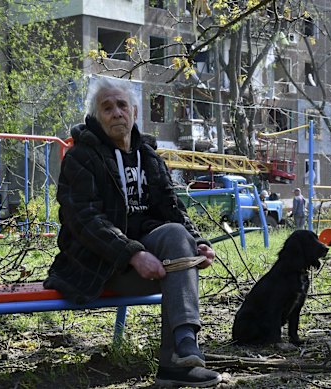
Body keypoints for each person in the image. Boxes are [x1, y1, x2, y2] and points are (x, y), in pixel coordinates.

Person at [43, 77, 222, 387]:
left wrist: (199, 244)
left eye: (122, 105)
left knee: (178, 237)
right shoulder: (80, 158)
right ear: (96, 117)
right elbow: (84, 220)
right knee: (177, 266)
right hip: (96, 266)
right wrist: (133, 253)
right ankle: (176, 364)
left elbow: (173, 209)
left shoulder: (150, 158)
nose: (116, 113)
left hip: (146, 261)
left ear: (134, 113)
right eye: (107, 107)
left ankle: (184, 345)